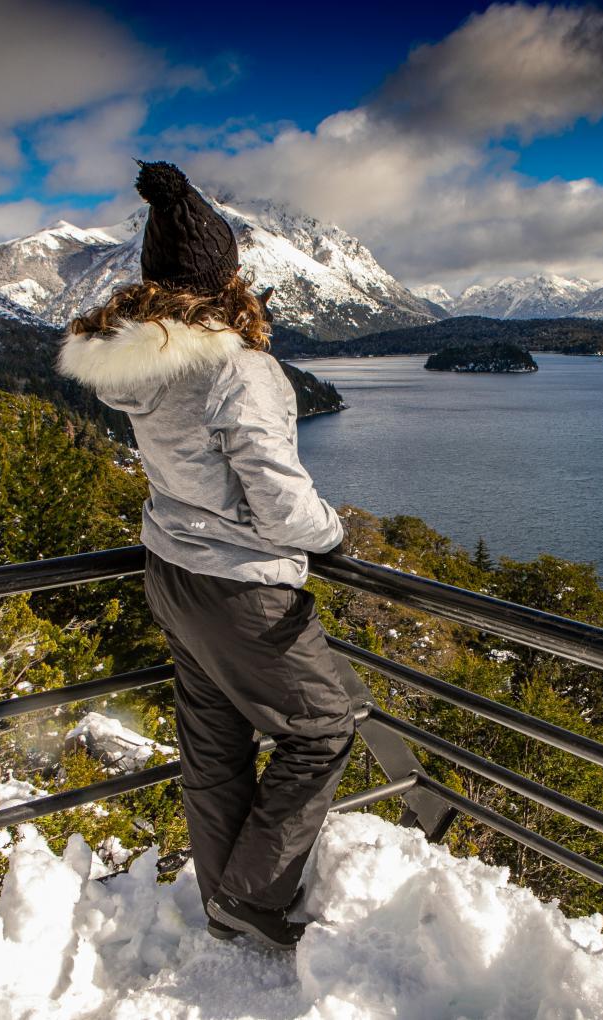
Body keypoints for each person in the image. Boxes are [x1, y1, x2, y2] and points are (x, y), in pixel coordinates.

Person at [57, 160, 353, 951]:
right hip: (240, 589)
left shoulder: (147, 368)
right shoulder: (236, 368)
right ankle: (251, 900)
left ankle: (227, 901)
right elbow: (282, 505)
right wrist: (335, 534)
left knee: (216, 744)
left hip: (173, 574)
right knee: (324, 726)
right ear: (225, 281)